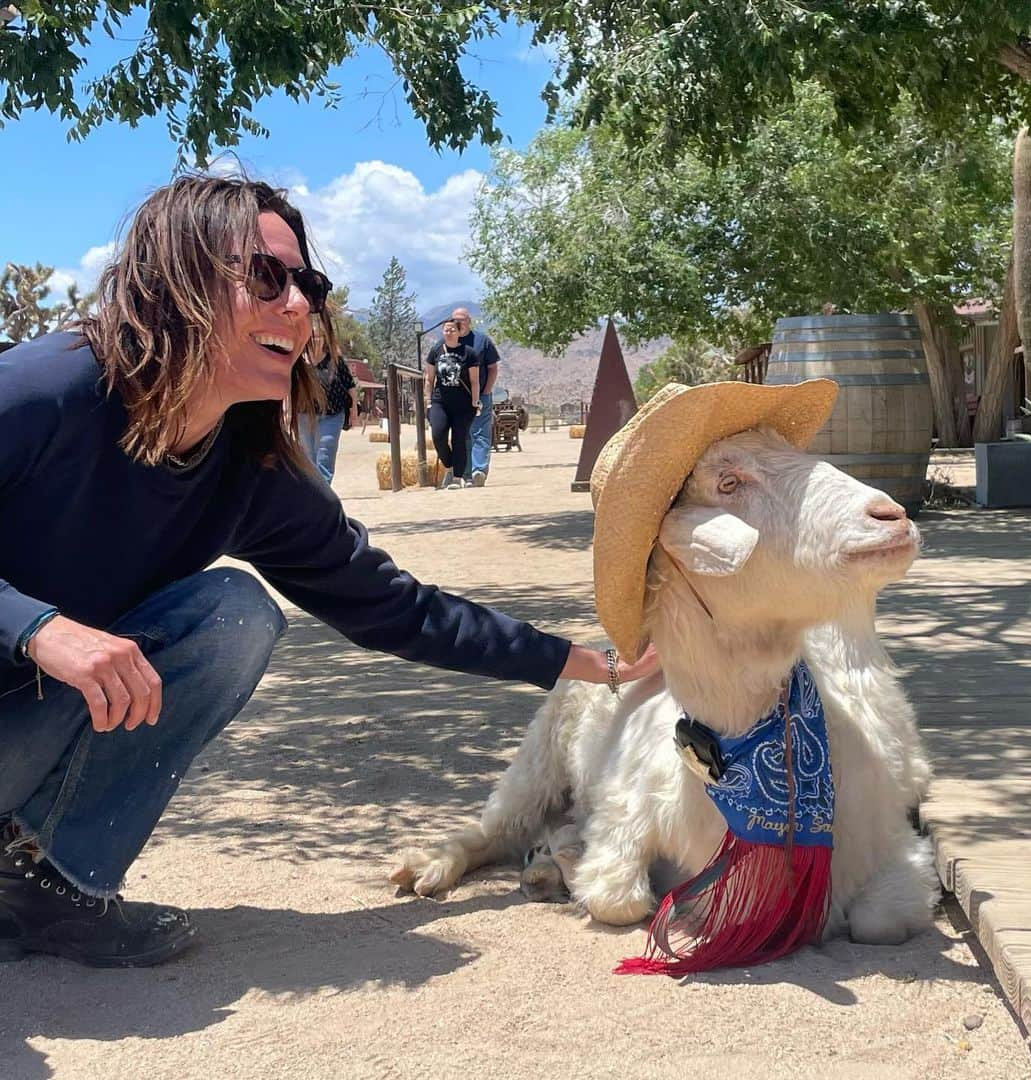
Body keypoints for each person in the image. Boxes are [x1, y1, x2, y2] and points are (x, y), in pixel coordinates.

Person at [0, 174, 658, 969]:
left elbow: (394, 607)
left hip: (22, 731)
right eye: (267, 277)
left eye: (308, 283)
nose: (299, 304)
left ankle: (50, 887)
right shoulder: (48, 389)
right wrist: (34, 628)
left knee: (233, 614)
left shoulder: (249, 465)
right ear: (175, 279)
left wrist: (580, 664)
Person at [424, 319, 481, 489]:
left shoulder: (469, 353)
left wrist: (475, 401)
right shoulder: (435, 351)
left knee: (459, 439)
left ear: (459, 332)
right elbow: (429, 379)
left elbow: (474, 381)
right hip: (440, 401)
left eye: (452, 330)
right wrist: (428, 401)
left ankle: (457, 478)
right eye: (446, 330)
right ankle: (448, 465)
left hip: (463, 404)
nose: (449, 333)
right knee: (438, 435)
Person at [299, 321, 358, 484]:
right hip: (304, 415)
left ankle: (322, 499)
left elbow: (350, 386)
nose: (316, 340)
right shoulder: (298, 360)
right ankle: (314, 496)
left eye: (319, 337)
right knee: (308, 459)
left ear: (325, 339)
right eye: (312, 337)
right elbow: (289, 387)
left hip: (332, 415)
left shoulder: (336, 360)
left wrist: (353, 413)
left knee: (325, 455)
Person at [453, 307, 499, 488]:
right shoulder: (448, 343)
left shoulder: (482, 341)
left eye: (462, 319)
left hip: (480, 396)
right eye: (455, 319)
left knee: (480, 433)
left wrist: (487, 391)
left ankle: (478, 470)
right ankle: (466, 474)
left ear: (469, 321)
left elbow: (493, 368)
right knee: (462, 435)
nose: (458, 323)